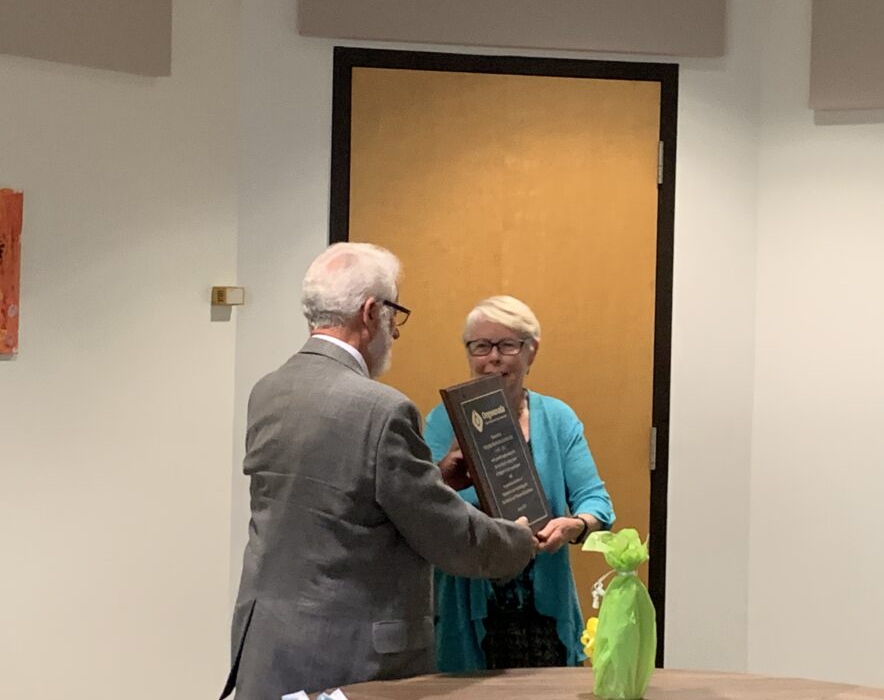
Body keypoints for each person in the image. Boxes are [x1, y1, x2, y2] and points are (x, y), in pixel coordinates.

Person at [221, 245, 536, 700]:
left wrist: (435, 478)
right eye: (395, 314)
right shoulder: (382, 410)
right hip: (350, 667)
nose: (395, 332)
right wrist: (520, 540)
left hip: (268, 651)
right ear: (371, 312)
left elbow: (339, 500)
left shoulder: (268, 391)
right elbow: (448, 537)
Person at [424, 295, 615, 671]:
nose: (492, 357)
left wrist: (575, 525)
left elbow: (597, 503)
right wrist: (444, 472)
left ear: (532, 352)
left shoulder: (558, 419)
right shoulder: (443, 420)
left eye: (508, 344)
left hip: (543, 606)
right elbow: (421, 511)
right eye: (480, 346)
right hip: (470, 603)